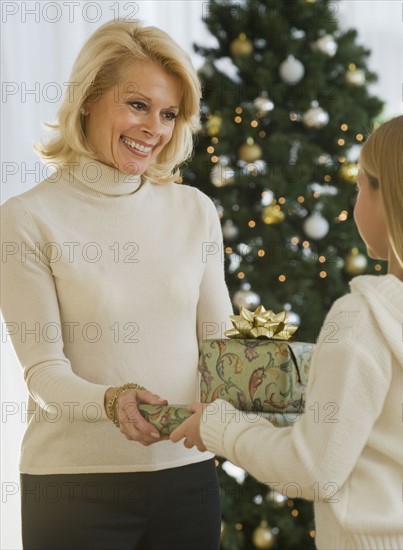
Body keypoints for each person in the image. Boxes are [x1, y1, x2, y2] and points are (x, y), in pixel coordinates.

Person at [0, 19, 233, 550]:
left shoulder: (194, 210)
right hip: (75, 489)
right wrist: (113, 401)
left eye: (169, 113)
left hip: (188, 480)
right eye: (137, 105)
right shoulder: (27, 218)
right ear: (88, 100)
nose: (155, 128)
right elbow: (43, 372)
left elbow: (219, 347)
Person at [171, 109, 403, 549]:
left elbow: (312, 469)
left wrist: (219, 426)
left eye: (360, 187)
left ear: (390, 198)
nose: (354, 203)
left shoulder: (364, 318)